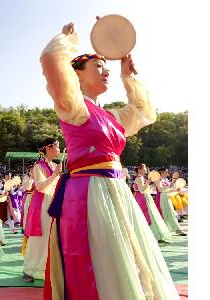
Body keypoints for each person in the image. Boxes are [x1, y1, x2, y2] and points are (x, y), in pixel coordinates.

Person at [41, 23, 179, 299]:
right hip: (88, 193)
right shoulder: (73, 106)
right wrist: (67, 41)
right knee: (102, 258)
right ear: (76, 76)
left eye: (106, 67)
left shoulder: (111, 116)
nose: (106, 72)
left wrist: (128, 78)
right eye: (97, 66)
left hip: (117, 193)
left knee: (128, 257)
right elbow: (51, 61)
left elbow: (143, 112)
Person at [23, 138, 61, 282]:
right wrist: (55, 174)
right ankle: (30, 269)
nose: (59, 149)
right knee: (39, 236)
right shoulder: (39, 166)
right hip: (43, 203)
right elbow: (39, 186)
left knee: (51, 237)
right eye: (57, 146)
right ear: (49, 148)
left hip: (52, 203)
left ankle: (46, 267)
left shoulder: (54, 165)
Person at [133, 163, 172, 243]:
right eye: (144, 168)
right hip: (142, 198)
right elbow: (142, 190)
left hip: (145, 197)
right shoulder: (139, 178)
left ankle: (155, 235)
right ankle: (152, 236)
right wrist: (149, 182)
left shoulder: (141, 178)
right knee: (148, 215)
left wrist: (151, 185)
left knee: (152, 215)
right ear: (139, 169)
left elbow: (146, 189)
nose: (146, 169)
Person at [155, 168, 187, 236]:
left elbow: (168, 190)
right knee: (165, 214)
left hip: (167, 198)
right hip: (161, 198)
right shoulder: (158, 180)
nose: (167, 173)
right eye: (166, 172)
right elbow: (160, 189)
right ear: (161, 172)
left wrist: (176, 190)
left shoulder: (165, 180)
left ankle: (176, 229)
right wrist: (170, 186)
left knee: (170, 214)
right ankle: (168, 230)